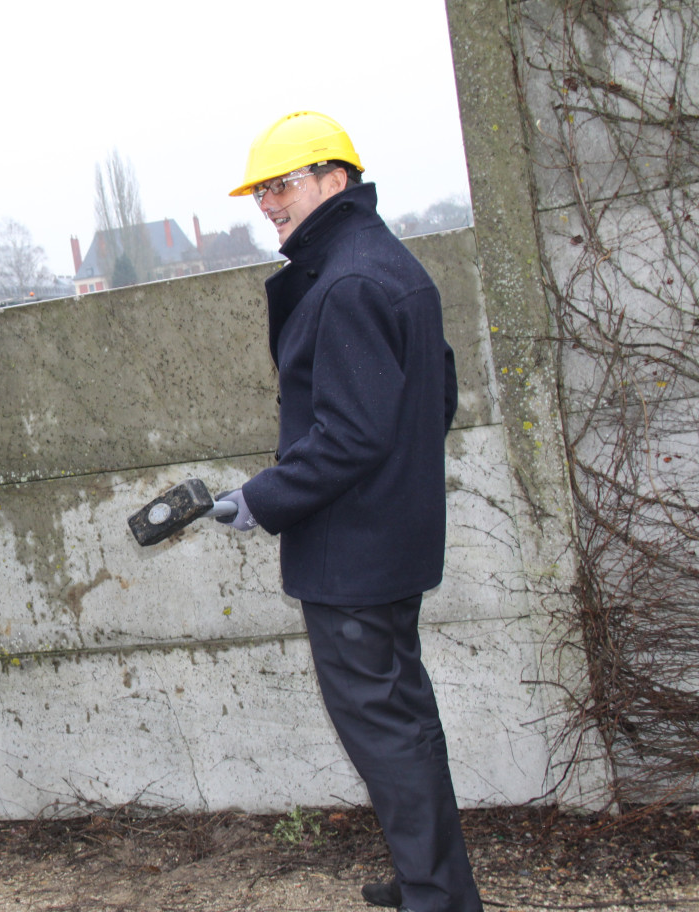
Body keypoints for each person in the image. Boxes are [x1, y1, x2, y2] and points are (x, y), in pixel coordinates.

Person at [214, 112, 481, 912]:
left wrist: (259, 501)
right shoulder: (387, 265)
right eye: (261, 189)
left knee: (387, 733)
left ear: (336, 179)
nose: (268, 203)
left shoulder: (349, 279)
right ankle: (431, 882)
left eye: (282, 184)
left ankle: (437, 898)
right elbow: (436, 394)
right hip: (386, 544)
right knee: (401, 723)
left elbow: (352, 433)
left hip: (354, 557)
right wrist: (394, 487)